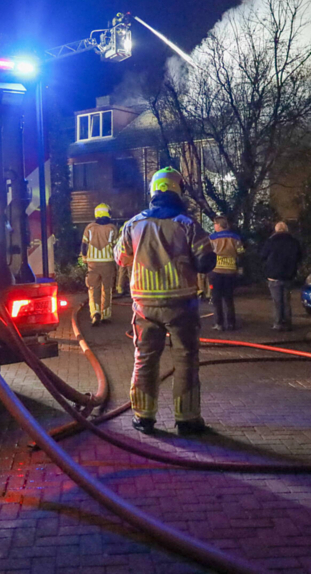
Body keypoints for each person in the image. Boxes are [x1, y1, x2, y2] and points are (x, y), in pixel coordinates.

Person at [115, 167, 216, 435]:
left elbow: (121, 258)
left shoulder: (133, 224)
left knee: (145, 359)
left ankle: (143, 417)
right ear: (177, 190)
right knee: (185, 359)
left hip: (144, 307)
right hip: (181, 306)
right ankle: (187, 419)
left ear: (153, 191)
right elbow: (206, 261)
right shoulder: (187, 224)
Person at [81, 203, 118, 326]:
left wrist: (85, 258)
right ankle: (105, 315)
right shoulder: (112, 228)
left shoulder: (89, 228)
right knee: (107, 290)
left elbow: (84, 245)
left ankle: (95, 313)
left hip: (92, 264)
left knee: (93, 289)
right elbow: (116, 246)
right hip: (108, 263)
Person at [261, 221, 303, 331]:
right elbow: (299, 257)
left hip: (273, 275)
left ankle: (278, 323)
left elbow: (263, 255)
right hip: (289, 275)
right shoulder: (294, 242)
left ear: (276, 230)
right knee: (286, 300)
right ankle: (288, 323)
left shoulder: (271, 241)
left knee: (277, 301)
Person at [208, 217, 243, 331]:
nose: (214, 226)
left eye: (215, 224)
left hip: (216, 271)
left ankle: (219, 323)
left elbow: (207, 252)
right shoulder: (235, 237)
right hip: (231, 271)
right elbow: (241, 252)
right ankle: (231, 323)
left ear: (219, 225)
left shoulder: (212, 238)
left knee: (216, 298)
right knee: (229, 298)